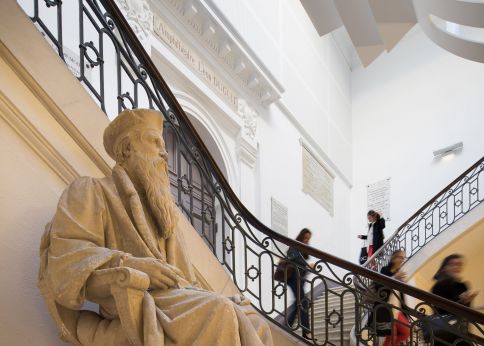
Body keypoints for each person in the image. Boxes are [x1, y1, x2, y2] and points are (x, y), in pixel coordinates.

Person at [39, 109, 273, 346]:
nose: (164, 153)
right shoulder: (92, 190)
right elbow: (68, 258)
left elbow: (185, 282)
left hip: (176, 303)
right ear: (126, 149)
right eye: (154, 142)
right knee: (219, 312)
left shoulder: (164, 215)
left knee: (253, 320)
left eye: (163, 145)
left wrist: (218, 296)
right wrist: (132, 265)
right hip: (137, 306)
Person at [429, 254, 478, 346]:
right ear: (445, 267)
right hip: (444, 330)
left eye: (459, 264)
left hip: (461, 329)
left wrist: (467, 301)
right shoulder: (439, 285)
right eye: (452, 264)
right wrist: (460, 300)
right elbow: (438, 309)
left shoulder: (463, 285)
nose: (456, 267)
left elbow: (466, 311)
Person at [376, 250, 410, 346]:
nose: (402, 260)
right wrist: (395, 278)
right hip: (386, 308)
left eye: (403, 258)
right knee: (391, 336)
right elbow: (379, 286)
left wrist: (404, 284)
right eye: (399, 257)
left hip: (397, 309)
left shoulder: (399, 273)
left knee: (406, 332)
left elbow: (401, 296)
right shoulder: (385, 270)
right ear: (393, 258)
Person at [286, 228, 313, 340]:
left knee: (298, 304)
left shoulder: (303, 249)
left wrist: (308, 267)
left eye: (308, 238)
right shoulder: (294, 245)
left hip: (299, 280)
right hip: (293, 279)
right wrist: (307, 265)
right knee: (303, 302)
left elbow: (302, 265)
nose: (307, 240)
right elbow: (292, 256)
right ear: (301, 236)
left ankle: (286, 326)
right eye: (305, 238)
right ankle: (306, 332)